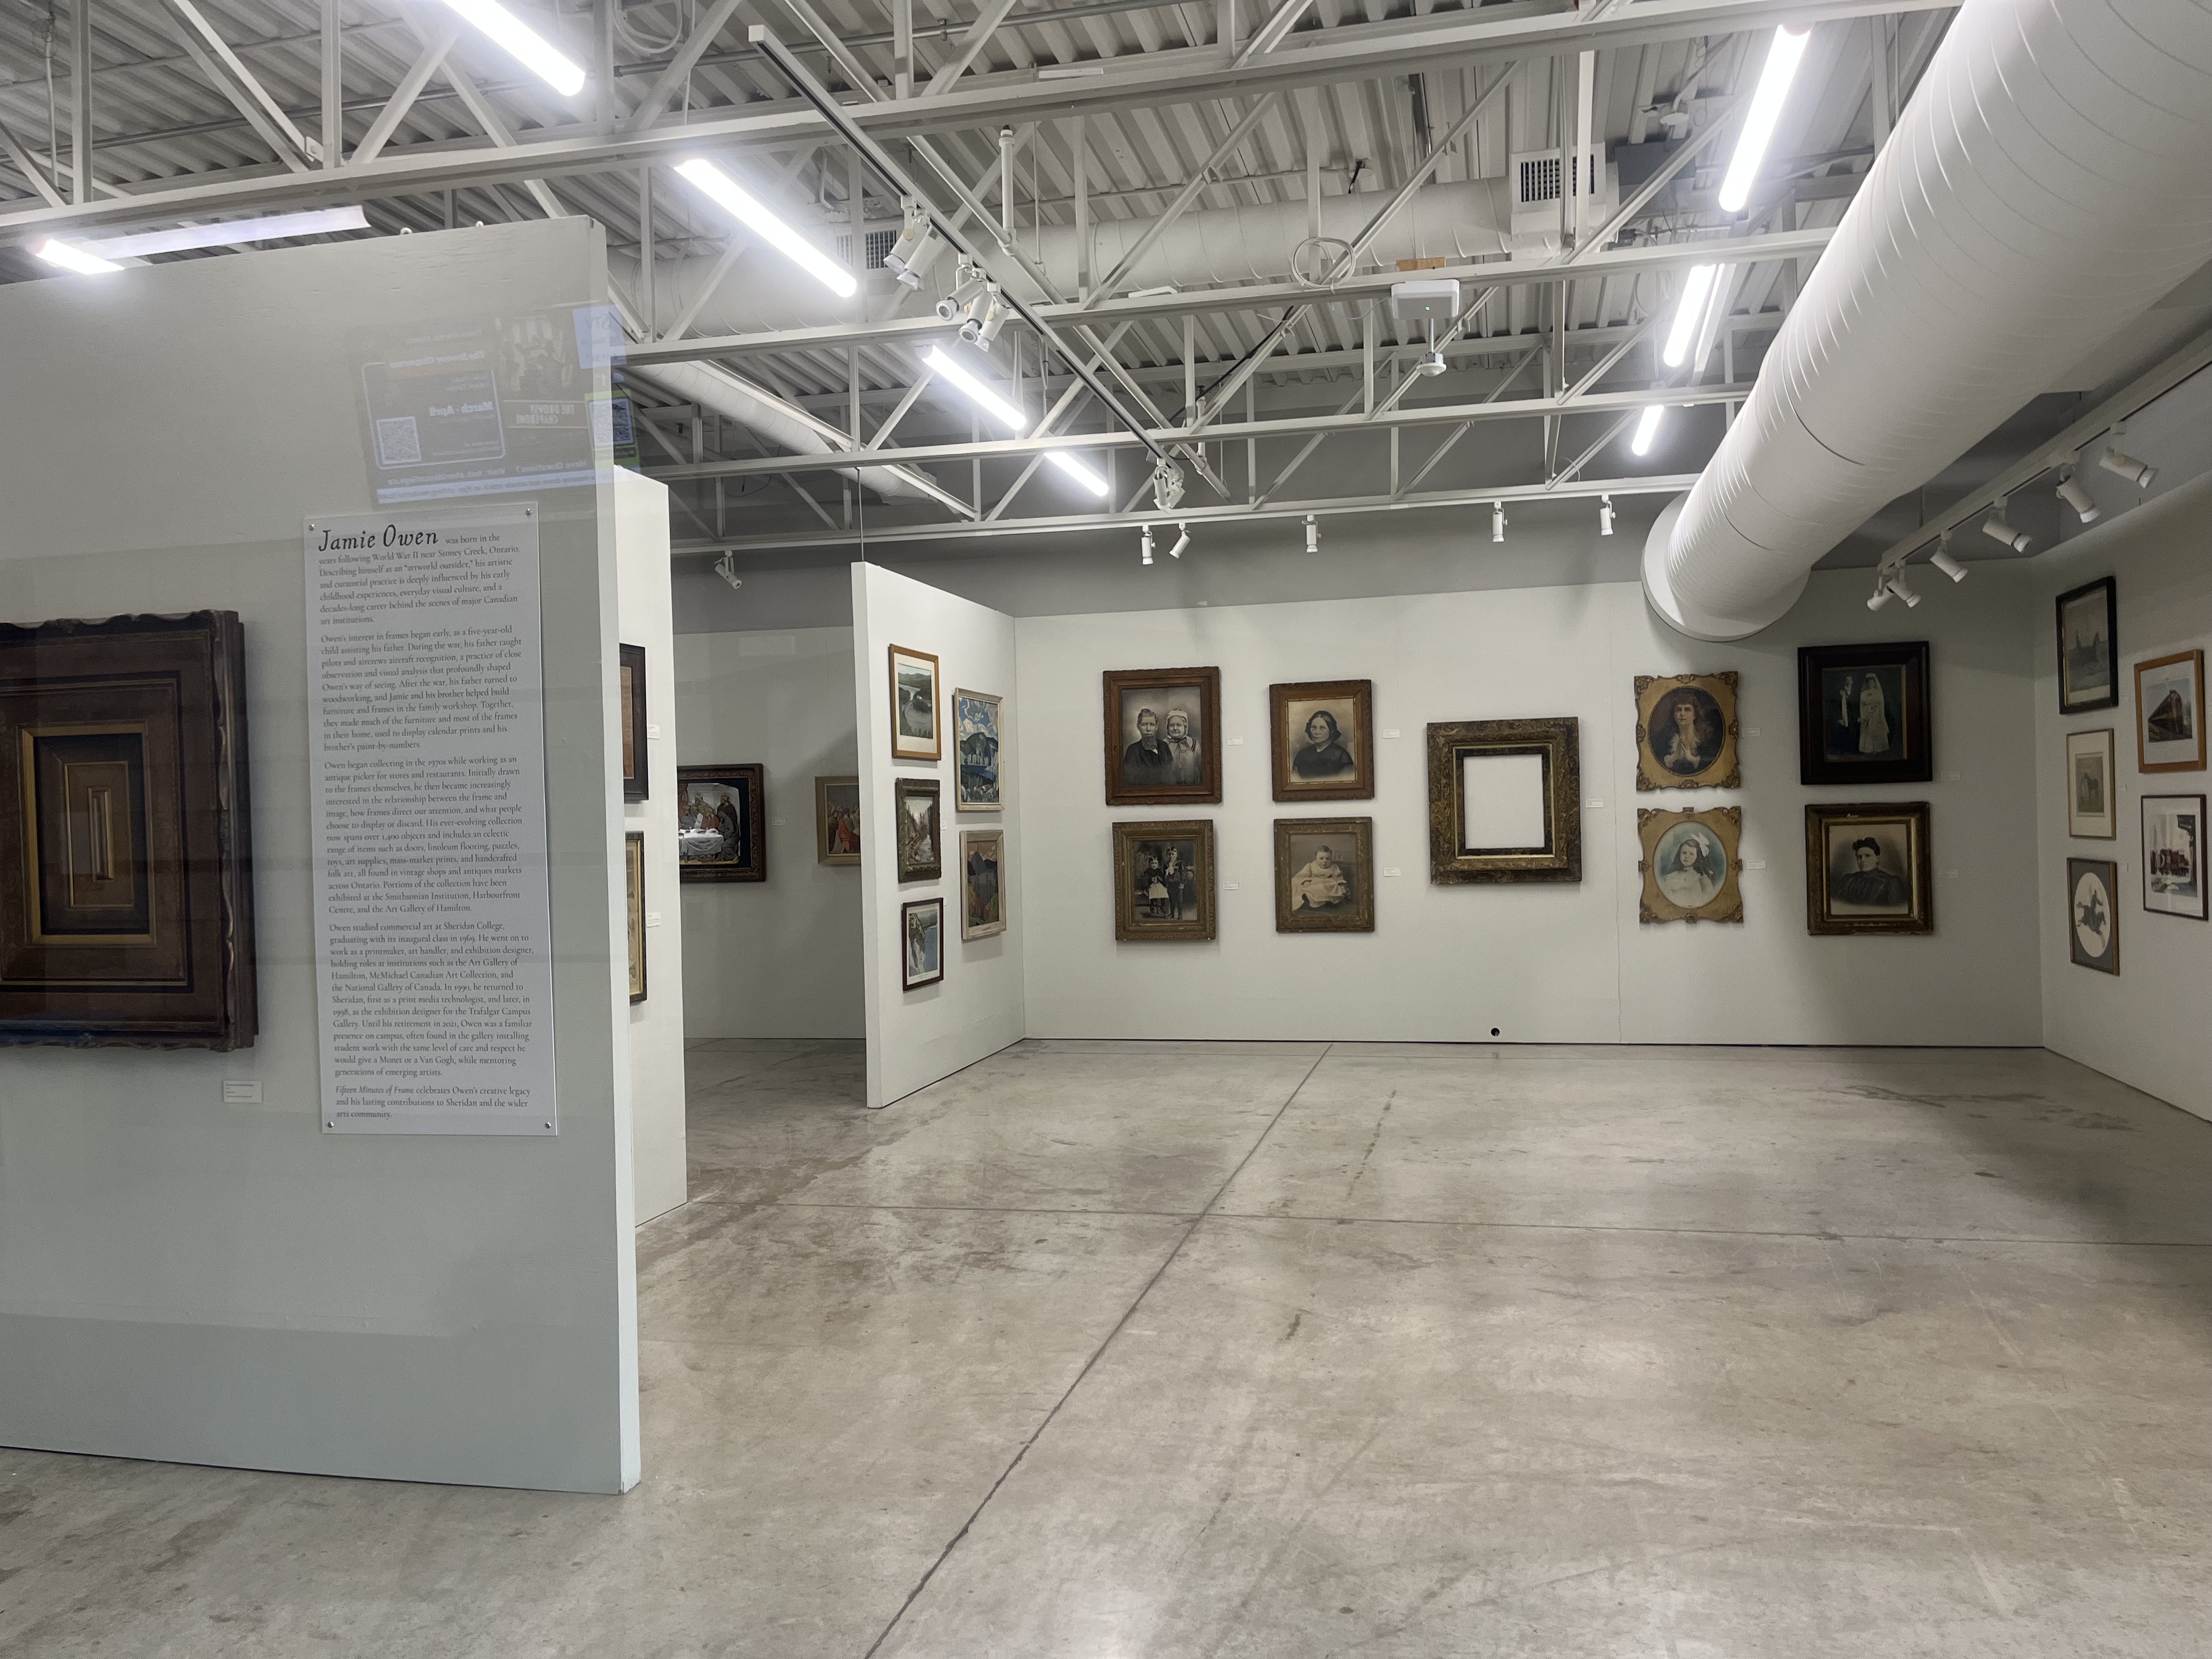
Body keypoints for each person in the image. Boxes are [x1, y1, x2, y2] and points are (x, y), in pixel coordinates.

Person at [1832, 836, 1908, 908]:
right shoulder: (1848, 880)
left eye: (1868, 856)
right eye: (1859, 857)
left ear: (1877, 858)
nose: (1863, 861)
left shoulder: (1890, 883)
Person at [1657, 832, 1721, 908]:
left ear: (1698, 857)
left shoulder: (1702, 878)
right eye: (1684, 853)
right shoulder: (1670, 877)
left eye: (1691, 854)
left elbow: (1707, 900)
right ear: (1679, 854)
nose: (1687, 857)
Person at [1291, 709, 1356, 780]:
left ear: (1331, 731)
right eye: (1314, 728)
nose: (1317, 732)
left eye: (1322, 728)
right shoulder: (1302, 756)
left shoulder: (1342, 757)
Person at [1122, 708, 1175, 786]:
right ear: (1138, 727)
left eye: (1152, 725)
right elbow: (1130, 781)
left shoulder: (1164, 746)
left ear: (1156, 727)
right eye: (1144, 725)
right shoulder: (1133, 750)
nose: (1148, 729)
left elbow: (1171, 776)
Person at [1291, 843, 1350, 910]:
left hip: (1329, 886)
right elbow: (1301, 876)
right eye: (1321, 858)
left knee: (1336, 888)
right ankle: (1309, 899)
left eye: (1328, 859)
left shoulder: (1334, 867)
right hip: (1315, 886)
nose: (1325, 861)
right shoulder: (1311, 866)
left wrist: (1341, 884)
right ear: (1315, 859)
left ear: (1331, 859)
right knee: (1308, 889)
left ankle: (1330, 901)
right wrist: (1305, 881)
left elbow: (1339, 878)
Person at [1659, 695, 1706, 774]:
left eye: (1687, 710)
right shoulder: (1664, 741)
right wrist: (1674, 757)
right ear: (1674, 715)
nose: (1682, 714)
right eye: (1678, 710)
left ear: (1695, 715)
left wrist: (1692, 759)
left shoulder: (1705, 742)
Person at [1163, 708, 1203, 786]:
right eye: (1172, 725)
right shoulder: (1164, 744)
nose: (1175, 728)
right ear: (1167, 728)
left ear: (1185, 727)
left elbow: (1199, 768)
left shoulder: (1193, 744)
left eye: (1179, 725)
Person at [1858, 673, 1891, 755]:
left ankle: (1877, 749)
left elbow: (1881, 704)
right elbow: (1862, 705)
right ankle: (1869, 749)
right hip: (1867, 714)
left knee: (1876, 730)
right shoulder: (1864, 693)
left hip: (1876, 714)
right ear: (1867, 684)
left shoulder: (1878, 693)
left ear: (1875, 683)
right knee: (1868, 730)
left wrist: (1881, 716)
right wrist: (1863, 717)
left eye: (1872, 683)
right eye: (1869, 683)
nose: (1871, 684)